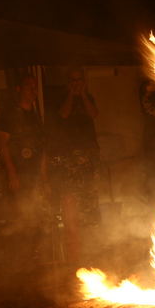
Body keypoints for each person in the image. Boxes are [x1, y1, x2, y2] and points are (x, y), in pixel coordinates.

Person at [48, 68, 100, 265]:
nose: (76, 83)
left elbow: (94, 114)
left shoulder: (88, 97)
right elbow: (63, 114)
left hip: (89, 157)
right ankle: (73, 256)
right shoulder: (62, 98)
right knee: (71, 204)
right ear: (68, 81)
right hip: (70, 158)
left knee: (89, 204)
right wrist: (71, 94)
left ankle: (90, 253)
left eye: (79, 80)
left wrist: (84, 94)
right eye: (73, 80)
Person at [0, 73, 46, 263]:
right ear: (19, 89)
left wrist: (43, 178)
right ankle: (19, 260)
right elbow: (3, 146)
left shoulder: (35, 115)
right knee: (19, 217)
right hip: (18, 175)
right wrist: (12, 175)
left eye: (35, 87)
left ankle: (33, 257)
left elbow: (41, 149)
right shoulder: (7, 115)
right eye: (29, 86)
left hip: (33, 177)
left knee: (35, 217)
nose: (33, 90)